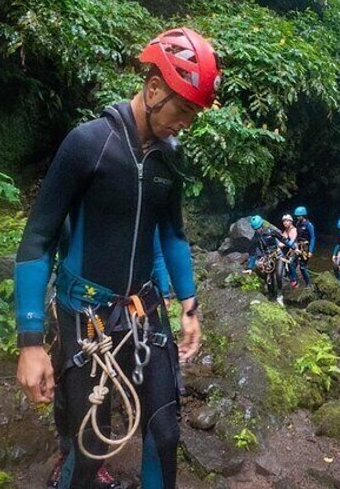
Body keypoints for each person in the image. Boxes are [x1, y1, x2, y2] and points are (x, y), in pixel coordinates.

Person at [14, 27, 221, 489]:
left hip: (143, 308)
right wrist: (30, 342)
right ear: (153, 89)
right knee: (91, 448)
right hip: (86, 311)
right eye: (183, 109)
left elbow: (172, 233)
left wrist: (189, 306)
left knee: (165, 433)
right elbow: (38, 240)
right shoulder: (88, 144)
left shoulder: (170, 158)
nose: (186, 122)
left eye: (194, 113)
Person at [244, 215, 288, 305]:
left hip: (278, 255)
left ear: (262, 225)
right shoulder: (255, 239)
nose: (258, 230)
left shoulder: (271, 232)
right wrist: (250, 267)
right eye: (256, 229)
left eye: (259, 228)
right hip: (268, 258)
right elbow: (252, 254)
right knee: (270, 277)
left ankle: (280, 295)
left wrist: (294, 247)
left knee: (279, 274)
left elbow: (283, 239)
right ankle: (272, 296)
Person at [293, 206, 316, 286]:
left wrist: (310, 251)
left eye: (299, 216)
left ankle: (309, 284)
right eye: (297, 216)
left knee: (302, 266)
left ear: (303, 215)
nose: (298, 217)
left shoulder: (309, 225)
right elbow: (297, 236)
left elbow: (313, 238)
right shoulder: (298, 224)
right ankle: (297, 280)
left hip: (306, 247)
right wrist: (295, 245)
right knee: (294, 263)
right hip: (299, 246)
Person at [279, 213, 299, 288]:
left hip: (295, 249)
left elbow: (292, 241)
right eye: (284, 221)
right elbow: (282, 238)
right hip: (289, 249)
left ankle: (295, 280)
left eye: (287, 221)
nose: (285, 223)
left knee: (291, 263)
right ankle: (288, 277)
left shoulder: (293, 230)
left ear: (290, 222)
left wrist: (283, 244)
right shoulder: (286, 230)